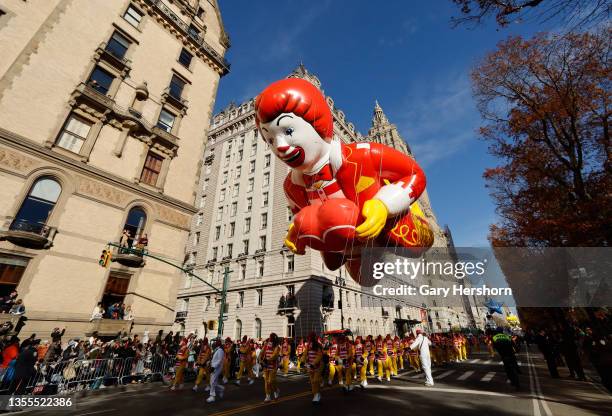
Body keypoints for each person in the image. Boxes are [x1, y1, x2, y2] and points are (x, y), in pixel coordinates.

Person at [255, 78, 433, 285]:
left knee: (341, 215)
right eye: (270, 140)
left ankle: (390, 232)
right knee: (362, 275)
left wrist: (384, 205)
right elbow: (301, 216)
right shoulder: (292, 186)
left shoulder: (362, 154)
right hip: (352, 247)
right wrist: (297, 232)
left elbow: (414, 174)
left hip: (398, 231)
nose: (280, 146)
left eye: (288, 131)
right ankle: (356, 253)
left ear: (317, 122)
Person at [261, 333, 280, 402]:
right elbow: (262, 352)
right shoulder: (266, 344)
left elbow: (275, 355)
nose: (270, 338)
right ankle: (268, 395)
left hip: (273, 366)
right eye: (270, 337)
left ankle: (276, 390)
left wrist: (268, 360)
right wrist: (260, 359)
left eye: (271, 337)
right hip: (266, 366)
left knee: (271, 381)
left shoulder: (277, 346)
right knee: (266, 382)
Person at [306, 332, 323, 403]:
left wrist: (314, 363)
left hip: (317, 366)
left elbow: (319, 355)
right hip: (310, 366)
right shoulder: (308, 345)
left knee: (316, 381)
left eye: (309, 337)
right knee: (312, 382)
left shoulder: (318, 345)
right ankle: (316, 394)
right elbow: (305, 354)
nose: (308, 339)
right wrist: (303, 360)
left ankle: (317, 394)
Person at [207, 338, 225, 403]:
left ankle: (212, 396)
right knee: (213, 382)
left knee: (212, 381)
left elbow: (219, 360)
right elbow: (214, 358)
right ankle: (221, 389)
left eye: (215, 342)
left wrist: (214, 367)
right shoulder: (216, 350)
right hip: (213, 367)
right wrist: (209, 362)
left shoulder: (220, 350)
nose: (214, 343)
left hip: (217, 368)